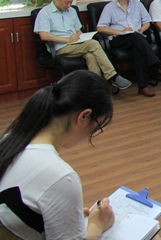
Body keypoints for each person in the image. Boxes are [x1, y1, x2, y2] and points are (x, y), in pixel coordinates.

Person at [0, 70, 115, 240]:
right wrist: (96, 226)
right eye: (97, 126)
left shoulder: (9, 139)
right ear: (84, 116)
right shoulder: (60, 176)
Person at [34, 0, 132, 91]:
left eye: (70, 3)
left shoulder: (72, 11)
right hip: (60, 47)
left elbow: (78, 31)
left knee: (91, 55)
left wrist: (83, 38)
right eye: (66, 3)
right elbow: (44, 35)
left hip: (76, 44)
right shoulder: (45, 13)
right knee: (93, 44)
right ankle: (112, 76)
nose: (68, 6)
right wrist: (67, 40)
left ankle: (95, 89)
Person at [97, 0, 161, 97]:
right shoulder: (110, 7)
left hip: (137, 38)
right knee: (136, 38)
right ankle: (159, 65)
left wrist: (142, 29)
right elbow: (100, 28)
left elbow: (147, 21)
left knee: (137, 48)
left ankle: (142, 87)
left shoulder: (137, 4)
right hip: (118, 39)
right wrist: (120, 31)